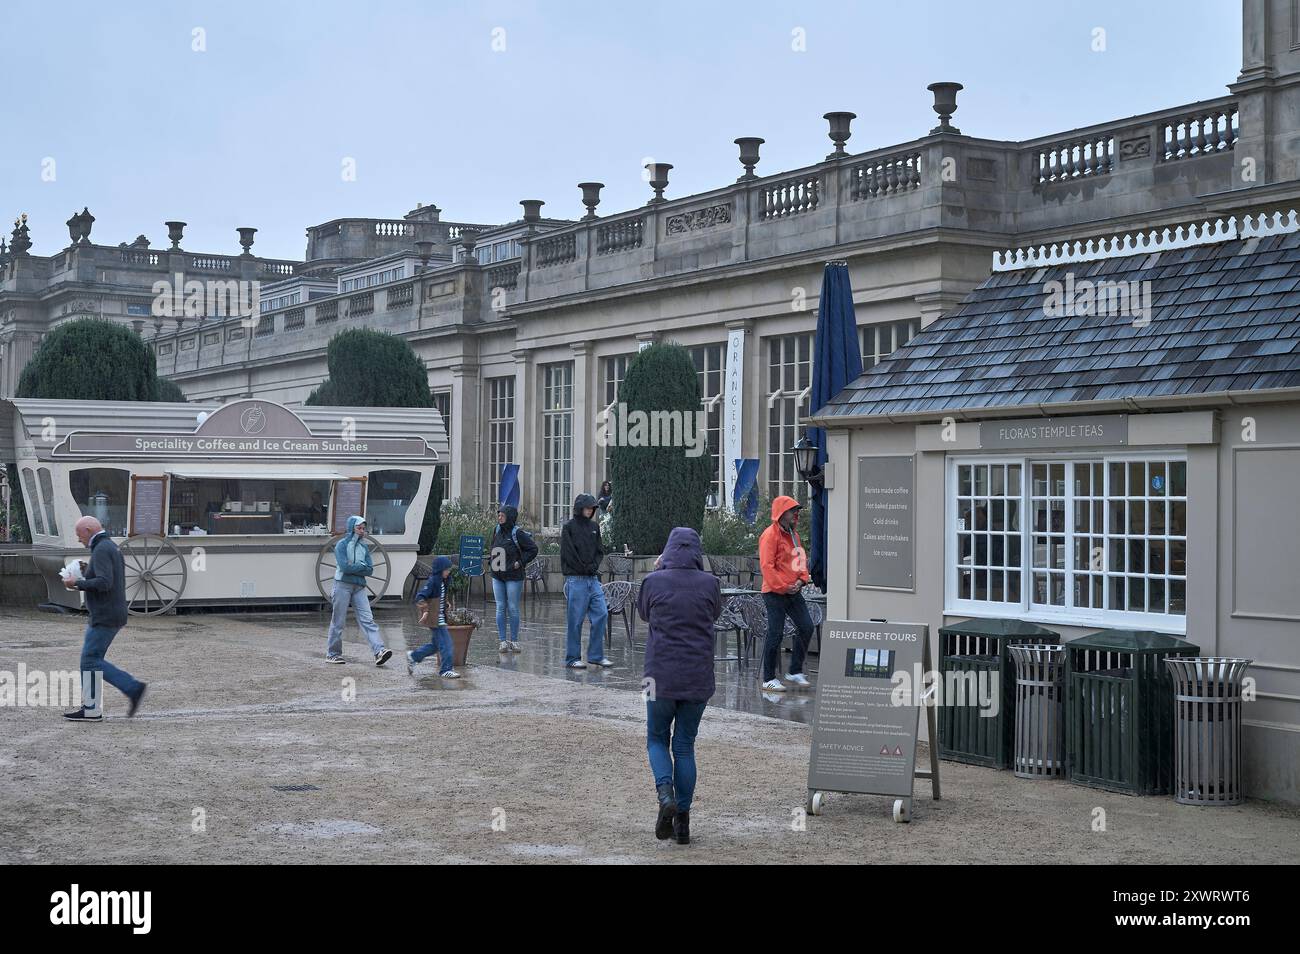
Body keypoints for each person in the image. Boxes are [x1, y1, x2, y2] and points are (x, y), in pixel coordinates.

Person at [637, 526, 721, 846]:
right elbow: (714, 614)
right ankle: (683, 822)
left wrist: (657, 570)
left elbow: (644, 613)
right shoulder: (711, 584)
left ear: (668, 550)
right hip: (698, 677)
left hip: (657, 676)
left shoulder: (653, 581)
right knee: (684, 745)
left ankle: (664, 795)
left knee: (656, 738)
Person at [62, 515, 146, 721]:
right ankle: (91, 708)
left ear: (89, 530)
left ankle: (132, 687)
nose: (78, 538)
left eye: (79, 534)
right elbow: (106, 577)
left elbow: (105, 582)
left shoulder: (101, 549)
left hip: (105, 614)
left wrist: (77, 583)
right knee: (90, 660)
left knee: (90, 660)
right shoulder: (108, 546)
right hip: (110, 613)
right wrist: (86, 571)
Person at [757, 495, 814, 692]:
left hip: (792, 591)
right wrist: (783, 586)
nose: (796, 514)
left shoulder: (794, 536)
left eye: (796, 511)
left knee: (807, 627)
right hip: (774, 592)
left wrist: (800, 580)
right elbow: (767, 567)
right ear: (781, 514)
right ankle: (768, 679)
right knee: (775, 633)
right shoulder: (769, 536)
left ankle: (795, 670)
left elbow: (801, 562)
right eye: (792, 511)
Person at [326, 515, 392, 666]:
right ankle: (333, 654)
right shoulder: (341, 545)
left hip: (359, 587)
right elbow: (345, 567)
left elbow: (370, 570)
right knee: (338, 621)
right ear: (351, 528)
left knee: (368, 619)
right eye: (359, 528)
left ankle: (379, 651)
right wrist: (361, 567)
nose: (362, 531)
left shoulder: (363, 547)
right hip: (342, 585)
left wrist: (357, 567)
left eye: (363, 528)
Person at [560, 493, 613, 669]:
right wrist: (584, 566)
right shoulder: (568, 527)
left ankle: (596, 656)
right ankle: (572, 658)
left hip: (592, 579)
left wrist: (593, 566)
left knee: (602, 614)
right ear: (579, 508)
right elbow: (568, 554)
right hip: (576, 579)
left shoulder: (594, 527)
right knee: (575, 620)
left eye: (592, 508)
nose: (590, 511)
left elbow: (599, 551)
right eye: (587, 508)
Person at [489, 505, 538, 654]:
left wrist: (520, 562)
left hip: (513, 576)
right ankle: (502, 641)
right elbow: (493, 547)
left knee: (513, 608)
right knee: (500, 607)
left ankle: (514, 640)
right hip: (497, 575)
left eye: (502, 516)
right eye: (499, 515)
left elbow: (533, 549)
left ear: (509, 517)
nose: (499, 518)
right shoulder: (496, 530)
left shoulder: (518, 533)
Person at [408, 556, 460, 679]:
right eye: (446, 569)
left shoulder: (442, 582)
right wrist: (425, 610)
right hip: (436, 620)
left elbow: (439, 598)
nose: (448, 572)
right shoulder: (433, 582)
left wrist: (446, 603)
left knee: (435, 646)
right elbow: (420, 597)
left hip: (440, 618)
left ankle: (414, 656)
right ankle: (446, 669)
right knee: (447, 644)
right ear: (440, 570)